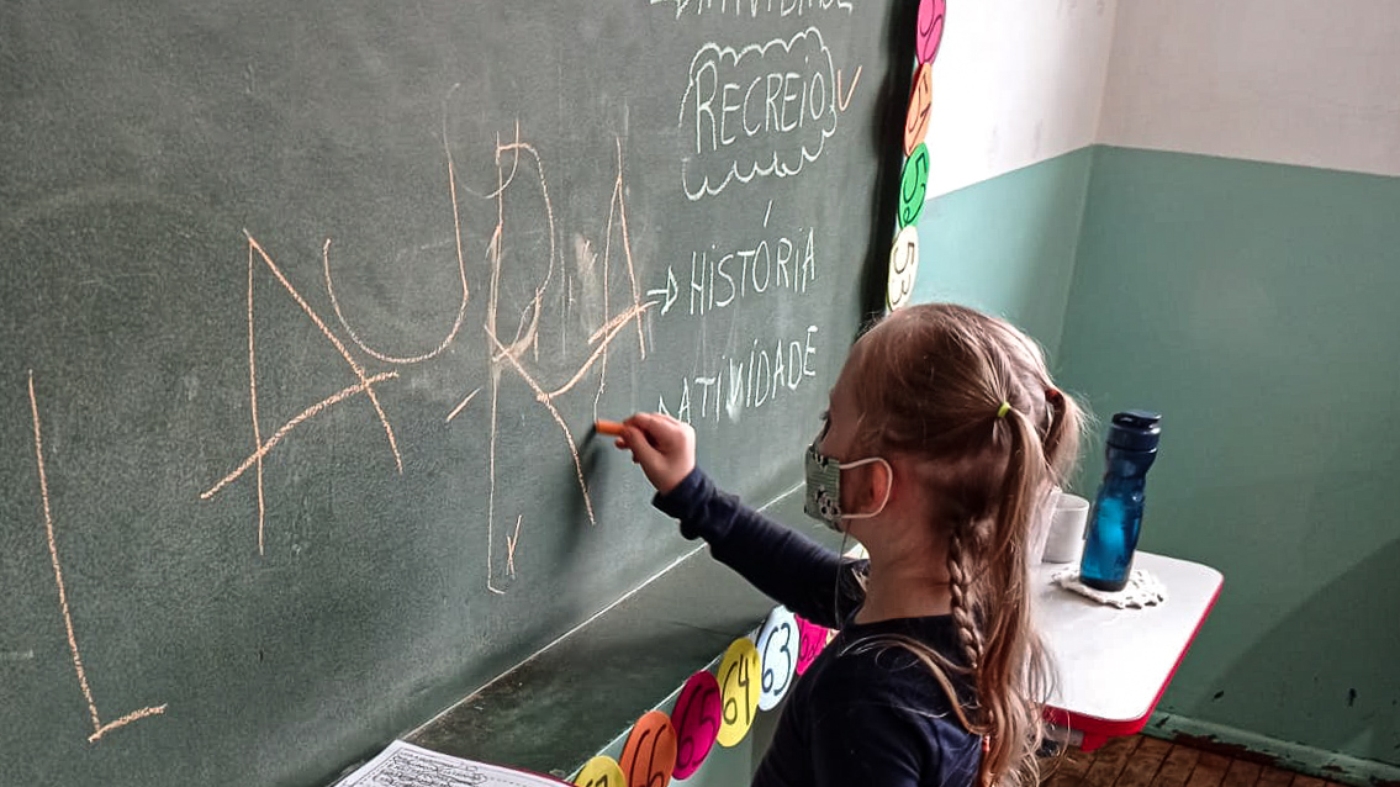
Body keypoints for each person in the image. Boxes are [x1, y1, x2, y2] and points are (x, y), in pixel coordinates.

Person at [611, 303, 1085, 787]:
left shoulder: (865, 698)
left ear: (876, 487)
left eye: (830, 420)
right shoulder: (960, 614)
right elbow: (806, 577)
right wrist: (692, 495)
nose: (820, 443)